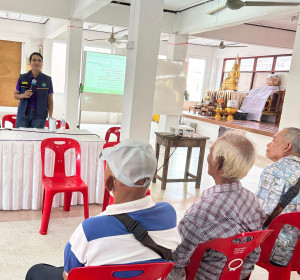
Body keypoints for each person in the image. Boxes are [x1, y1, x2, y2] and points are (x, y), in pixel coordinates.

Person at [26, 139, 180, 280]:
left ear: (109, 183)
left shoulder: (90, 230)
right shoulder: (168, 214)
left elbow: (68, 275)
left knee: (36, 271)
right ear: (152, 175)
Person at [169, 131, 266, 280]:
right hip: (238, 274)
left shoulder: (203, 210)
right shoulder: (252, 201)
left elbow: (177, 257)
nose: (208, 157)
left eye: (210, 152)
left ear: (218, 161)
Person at [255, 127, 300, 267]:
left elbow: (261, 217)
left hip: (279, 251)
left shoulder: (274, 171)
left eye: (274, 140)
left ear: (287, 146)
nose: (268, 144)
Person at [14, 52, 53, 128]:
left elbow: (50, 100)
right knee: (20, 137)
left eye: (39, 60)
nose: (37, 62)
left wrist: (50, 116)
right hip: (23, 114)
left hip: (40, 116)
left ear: (42, 63)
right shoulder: (22, 78)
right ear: (30, 62)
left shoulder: (47, 80)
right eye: (34, 60)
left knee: (36, 139)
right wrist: (23, 95)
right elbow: (15, 95)